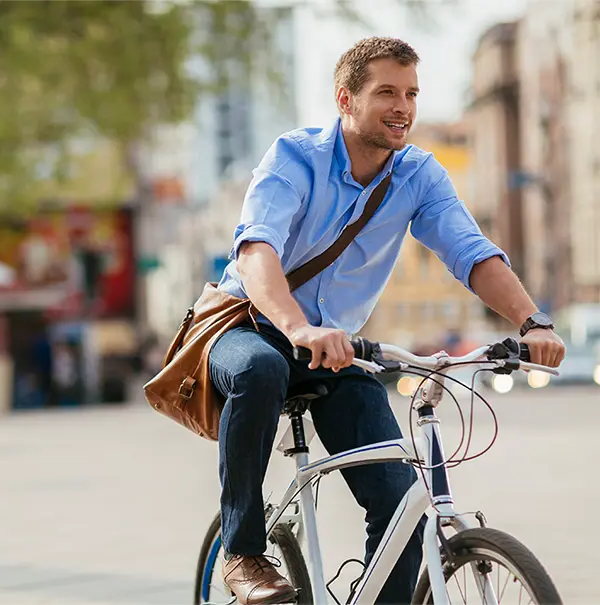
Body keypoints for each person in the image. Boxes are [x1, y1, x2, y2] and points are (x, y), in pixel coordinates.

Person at [209, 37, 566, 605]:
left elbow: (470, 251)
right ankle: (242, 552)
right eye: (386, 93)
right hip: (250, 325)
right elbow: (257, 252)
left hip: (337, 351)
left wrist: (532, 322)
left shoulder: (419, 175)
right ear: (346, 98)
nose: (403, 106)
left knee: (401, 502)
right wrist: (298, 327)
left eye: (412, 94)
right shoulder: (294, 158)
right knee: (257, 371)